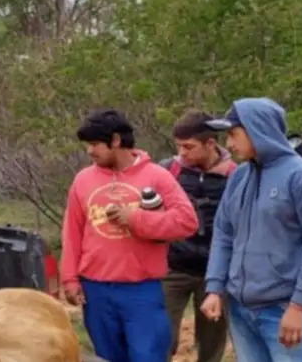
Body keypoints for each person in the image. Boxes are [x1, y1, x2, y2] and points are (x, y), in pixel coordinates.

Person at [199, 98, 302, 362]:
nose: (228, 144)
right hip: (240, 310)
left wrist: (299, 306)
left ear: (258, 129)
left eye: (233, 134)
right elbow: (224, 234)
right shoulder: (239, 177)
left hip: (283, 309)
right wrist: (215, 288)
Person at [60, 109, 200, 362]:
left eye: (95, 144)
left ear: (115, 140)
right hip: (95, 289)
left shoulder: (157, 176)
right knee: (107, 357)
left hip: (141, 289)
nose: (90, 151)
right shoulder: (83, 180)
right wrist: (69, 278)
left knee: (148, 356)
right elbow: (72, 231)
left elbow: (186, 222)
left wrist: (136, 219)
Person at [160, 110, 238, 362]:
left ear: (210, 143)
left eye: (188, 146)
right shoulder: (168, 170)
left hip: (216, 272)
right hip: (172, 267)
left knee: (211, 343)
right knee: (161, 338)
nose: (182, 153)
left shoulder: (236, 176)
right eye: (179, 146)